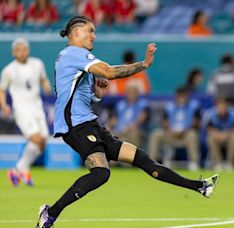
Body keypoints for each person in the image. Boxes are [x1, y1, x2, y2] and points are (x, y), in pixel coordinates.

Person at [36, 16, 219, 228]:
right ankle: (51, 213)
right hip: (76, 126)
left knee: (143, 159)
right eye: (90, 31)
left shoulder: (74, 58)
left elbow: (81, 94)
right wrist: (144, 64)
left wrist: (98, 93)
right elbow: (110, 72)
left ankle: (200, 186)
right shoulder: (73, 54)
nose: (94, 36)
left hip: (89, 123)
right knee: (101, 173)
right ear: (76, 33)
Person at [0, 37, 51, 187]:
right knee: (36, 139)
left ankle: (18, 170)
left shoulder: (37, 64)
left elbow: (43, 79)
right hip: (22, 109)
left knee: (43, 143)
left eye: (24, 49)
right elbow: (2, 90)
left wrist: (47, 85)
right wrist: (4, 106)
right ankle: (22, 169)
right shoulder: (9, 70)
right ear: (14, 52)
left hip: (37, 107)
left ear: (28, 50)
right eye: (18, 50)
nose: (22, 53)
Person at [148, 87, 201, 170]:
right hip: (171, 134)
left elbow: (196, 122)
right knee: (156, 134)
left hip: (185, 135)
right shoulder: (170, 106)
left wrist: (184, 131)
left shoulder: (194, 106)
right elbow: (164, 121)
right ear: (176, 96)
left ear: (187, 96)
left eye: (183, 95)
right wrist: (169, 130)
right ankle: (151, 163)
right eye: (179, 95)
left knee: (192, 134)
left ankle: (193, 162)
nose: (181, 98)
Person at [204, 97, 234, 171]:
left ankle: (230, 163)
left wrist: (226, 134)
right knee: (210, 138)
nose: (222, 109)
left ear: (227, 107)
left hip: (229, 137)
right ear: (216, 107)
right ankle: (219, 163)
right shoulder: (212, 116)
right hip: (218, 137)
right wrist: (218, 135)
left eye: (224, 107)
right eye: (220, 107)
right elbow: (209, 129)